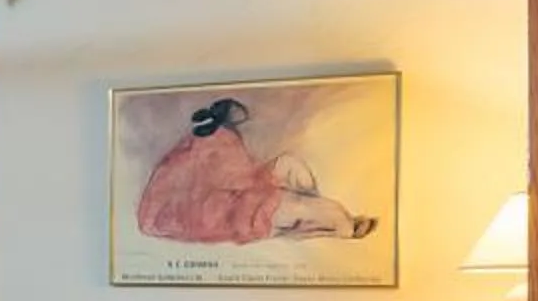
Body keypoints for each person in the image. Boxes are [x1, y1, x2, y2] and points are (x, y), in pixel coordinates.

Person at [134, 97, 376, 245]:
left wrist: (269, 176)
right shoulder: (220, 140)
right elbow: (237, 181)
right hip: (230, 211)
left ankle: (314, 214)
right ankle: (345, 227)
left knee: (289, 164)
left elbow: (236, 177)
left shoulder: (195, 142)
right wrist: (270, 184)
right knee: (309, 203)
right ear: (230, 120)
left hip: (229, 199)